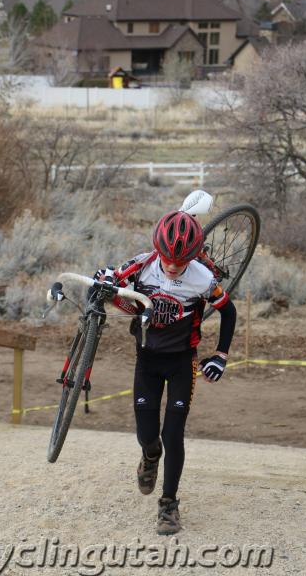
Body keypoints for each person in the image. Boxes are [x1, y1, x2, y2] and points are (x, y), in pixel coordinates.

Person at [110, 210, 237, 535]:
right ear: (158, 250)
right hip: (147, 360)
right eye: (167, 257)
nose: (171, 265)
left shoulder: (201, 278)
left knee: (173, 435)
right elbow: (109, 281)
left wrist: (221, 355)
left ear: (193, 256)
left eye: (180, 261)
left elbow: (228, 310)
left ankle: (168, 504)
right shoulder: (141, 264)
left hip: (182, 361)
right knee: (147, 435)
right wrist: (103, 284)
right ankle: (150, 456)